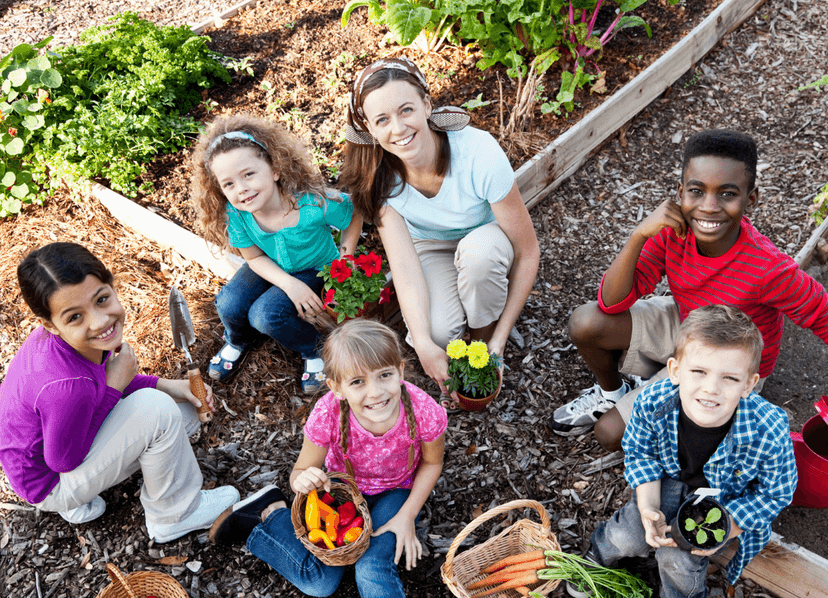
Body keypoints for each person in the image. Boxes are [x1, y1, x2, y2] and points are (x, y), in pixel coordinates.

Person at [209, 319, 447, 598]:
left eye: (384, 375)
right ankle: (266, 520)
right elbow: (301, 473)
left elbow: (431, 465)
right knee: (320, 583)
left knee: (373, 567)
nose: (375, 392)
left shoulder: (423, 410)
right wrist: (305, 480)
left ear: (401, 370)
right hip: (340, 493)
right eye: (358, 382)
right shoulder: (328, 415)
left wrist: (406, 517)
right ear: (337, 387)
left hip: (395, 492)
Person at [551, 129, 828, 449]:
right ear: (681, 193)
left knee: (611, 435)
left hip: (726, 363)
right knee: (587, 321)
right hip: (686, 323)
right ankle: (614, 394)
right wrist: (639, 235)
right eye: (697, 191)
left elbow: (823, 315)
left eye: (727, 194)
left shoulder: (768, 269)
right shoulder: (672, 233)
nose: (709, 206)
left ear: (750, 199)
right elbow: (612, 304)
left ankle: (711, 422)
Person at [568, 305, 797, 598]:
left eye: (730, 378)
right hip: (667, 480)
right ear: (674, 371)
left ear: (750, 384)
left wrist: (727, 527)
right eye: (699, 372)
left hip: (724, 500)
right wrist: (647, 507)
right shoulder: (652, 402)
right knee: (628, 533)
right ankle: (601, 553)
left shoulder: (769, 428)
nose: (711, 389)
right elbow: (641, 454)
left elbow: (777, 491)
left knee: (680, 556)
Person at [0, 242, 239, 541]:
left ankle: (85, 497)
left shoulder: (73, 343)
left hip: (40, 452)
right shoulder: (66, 388)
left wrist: (168, 385)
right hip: (50, 483)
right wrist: (116, 387)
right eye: (75, 316)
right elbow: (64, 460)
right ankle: (175, 515)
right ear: (50, 325)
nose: (100, 321)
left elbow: (103, 383)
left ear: (112, 286)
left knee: (183, 410)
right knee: (159, 412)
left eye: (101, 299)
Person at [338, 57, 540, 411]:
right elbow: (404, 269)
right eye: (382, 120)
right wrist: (426, 345)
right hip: (431, 247)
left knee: (479, 259)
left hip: (487, 239)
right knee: (438, 335)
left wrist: (499, 340)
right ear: (370, 129)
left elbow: (528, 252)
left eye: (406, 110)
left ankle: (484, 333)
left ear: (427, 105)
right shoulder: (379, 178)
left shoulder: (478, 153)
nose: (398, 128)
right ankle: (466, 327)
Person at [191, 115, 362, 393]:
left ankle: (314, 349)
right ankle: (238, 339)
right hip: (269, 265)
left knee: (267, 315)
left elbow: (353, 213)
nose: (242, 189)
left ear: (275, 169)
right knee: (228, 303)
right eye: (229, 184)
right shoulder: (236, 214)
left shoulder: (310, 203)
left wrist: (346, 256)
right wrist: (287, 283)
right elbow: (254, 258)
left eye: (248, 174)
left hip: (314, 267)